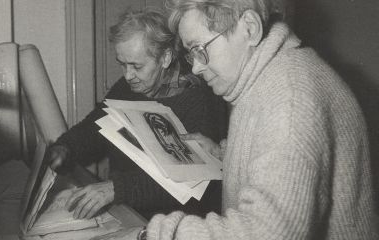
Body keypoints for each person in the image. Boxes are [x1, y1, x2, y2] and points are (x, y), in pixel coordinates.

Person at [137, 0, 378, 239]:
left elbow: (270, 232)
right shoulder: (271, 74)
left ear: (250, 28)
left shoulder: (290, 97)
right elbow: (278, 151)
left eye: (201, 49)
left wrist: (162, 233)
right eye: (192, 55)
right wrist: (220, 152)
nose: (197, 67)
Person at [46, 8, 228, 220]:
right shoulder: (127, 87)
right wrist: (65, 147)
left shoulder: (199, 98)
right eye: (122, 65)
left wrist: (117, 189)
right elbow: (94, 128)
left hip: (179, 224)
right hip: (130, 213)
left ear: (165, 58)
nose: (128, 75)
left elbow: (194, 184)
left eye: (136, 66)